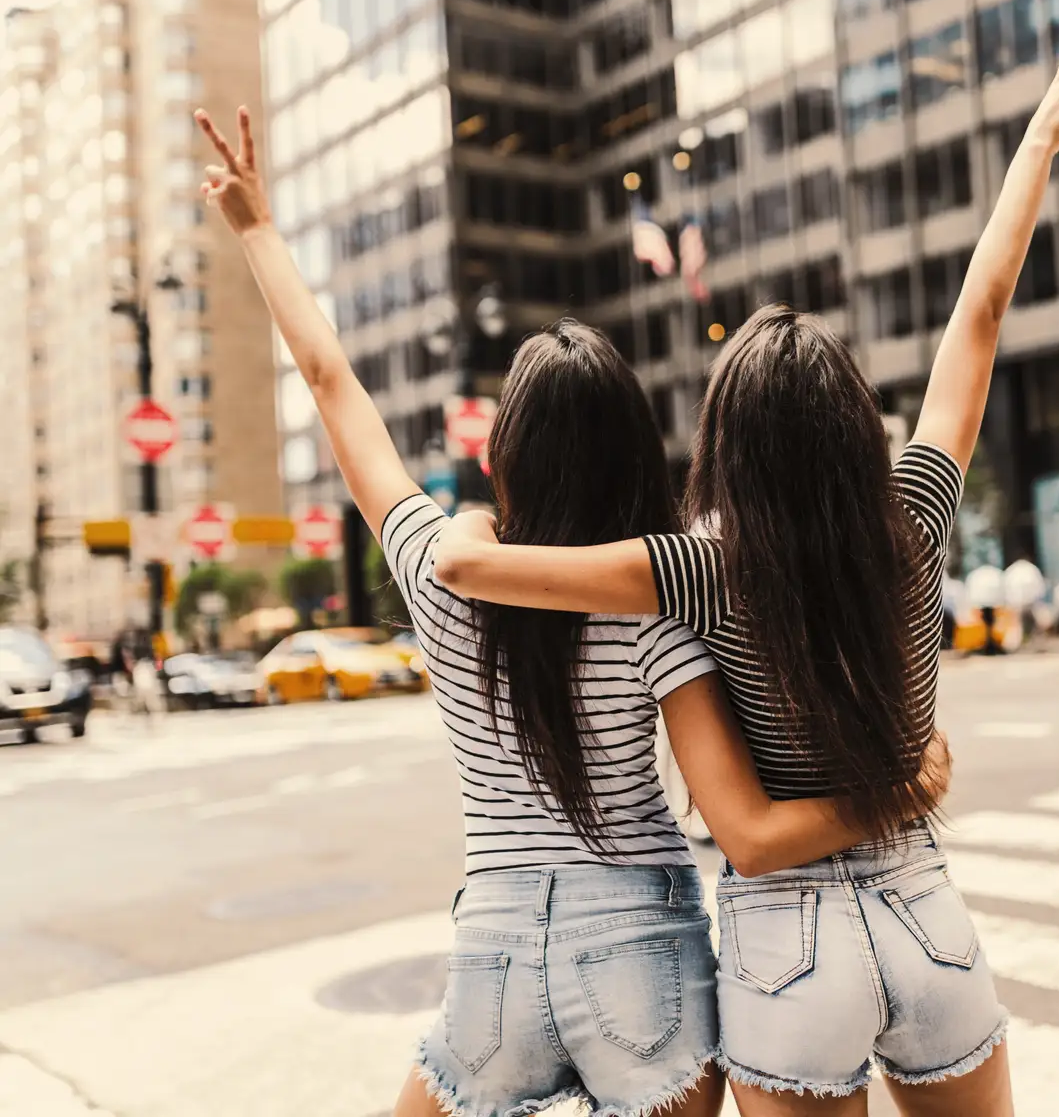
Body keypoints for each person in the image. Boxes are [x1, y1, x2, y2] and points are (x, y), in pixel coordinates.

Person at [193, 107, 949, 1117]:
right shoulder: (661, 602)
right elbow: (733, 798)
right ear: (640, 462)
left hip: (495, 953)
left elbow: (333, 384)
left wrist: (256, 228)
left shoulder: (439, 572)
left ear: (500, 456)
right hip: (648, 952)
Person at [429, 21, 1059, 1116]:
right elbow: (977, 321)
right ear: (854, 426)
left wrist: (463, 536)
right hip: (923, 909)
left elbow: (493, 573)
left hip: (783, 944)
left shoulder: (699, 568)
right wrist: (1035, 146)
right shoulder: (916, 518)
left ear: (723, 446)